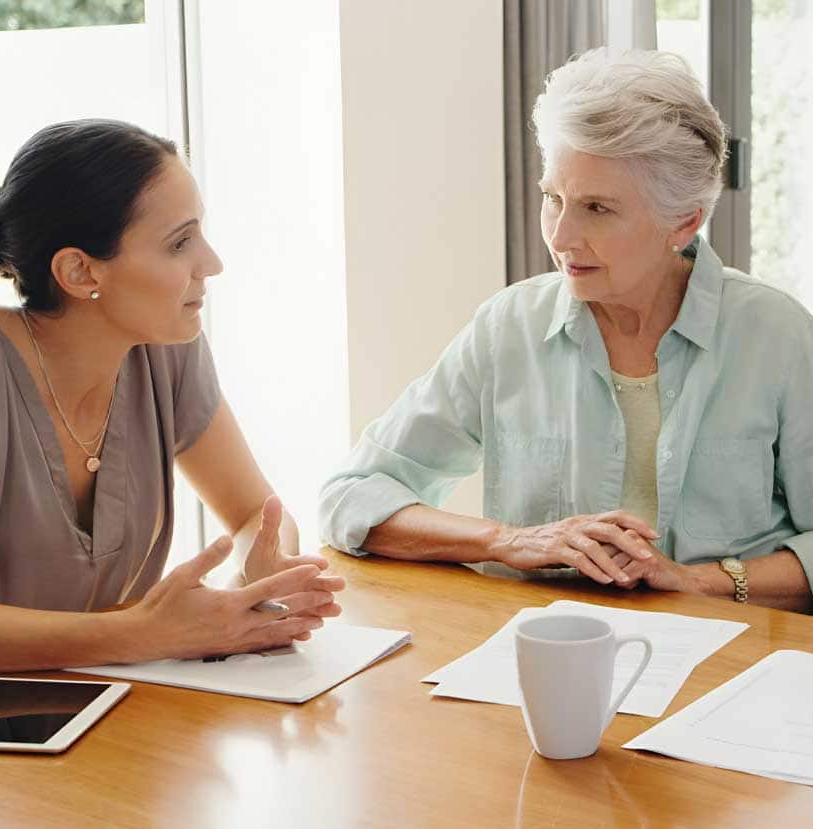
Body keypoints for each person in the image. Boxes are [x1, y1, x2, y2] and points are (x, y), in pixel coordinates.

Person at [0, 119, 342, 690]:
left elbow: (254, 516)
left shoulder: (166, 352)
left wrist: (262, 571)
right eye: (179, 243)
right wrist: (147, 633)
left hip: (74, 709)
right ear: (79, 270)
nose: (211, 262)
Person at [320, 48, 813, 612]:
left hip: (734, 668)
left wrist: (703, 581)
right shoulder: (509, 329)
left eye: (597, 209)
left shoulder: (777, 335)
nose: (561, 236)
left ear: (684, 221)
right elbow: (352, 496)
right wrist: (509, 541)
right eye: (553, 198)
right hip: (546, 660)